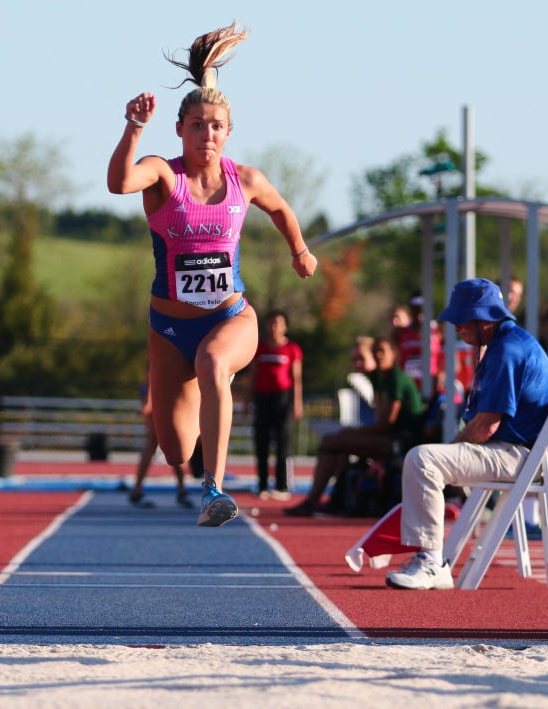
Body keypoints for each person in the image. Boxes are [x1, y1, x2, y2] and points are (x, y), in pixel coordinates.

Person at [106, 22, 318, 527]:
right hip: (169, 328)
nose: (207, 134)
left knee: (214, 360)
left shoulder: (246, 179)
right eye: (197, 124)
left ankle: (214, 490)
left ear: (229, 132)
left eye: (216, 125)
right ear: (180, 128)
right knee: (175, 448)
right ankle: (203, 396)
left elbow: (283, 211)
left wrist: (300, 250)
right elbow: (118, 184)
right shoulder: (162, 173)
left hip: (230, 315)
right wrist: (134, 127)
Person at [385, 278, 548, 590]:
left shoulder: (507, 350)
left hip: (520, 455)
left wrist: (451, 453)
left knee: (423, 459)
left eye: (461, 321)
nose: (456, 328)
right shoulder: (506, 343)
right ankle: (431, 558)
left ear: (483, 319)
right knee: (429, 458)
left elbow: (487, 424)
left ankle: (431, 562)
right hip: (521, 451)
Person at [284, 337, 425, 517]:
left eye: (382, 352)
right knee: (338, 446)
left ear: (394, 354)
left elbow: (385, 424)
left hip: (400, 443)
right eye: (375, 353)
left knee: (332, 441)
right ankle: (339, 499)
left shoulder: (396, 378)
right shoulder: (381, 378)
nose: (378, 356)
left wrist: (352, 432)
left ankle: (313, 500)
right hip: (389, 437)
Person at [250, 309, 303, 500]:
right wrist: (249, 401)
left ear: (285, 327)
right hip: (262, 398)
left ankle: (282, 486)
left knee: (283, 443)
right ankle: (262, 485)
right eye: (271, 323)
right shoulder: (259, 348)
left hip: (284, 399)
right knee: (262, 443)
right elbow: (253, 375)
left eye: (278, 324)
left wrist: (297, 403)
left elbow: (296, 378)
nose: (274, 328)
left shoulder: (292, 349)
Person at [128, 377, 194, 510]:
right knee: (157, 442)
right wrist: (149, 402)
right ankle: (138, 489)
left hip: (170, 393)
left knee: (176, 443)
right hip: (161, 393)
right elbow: (153, 371)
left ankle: (181, 490)